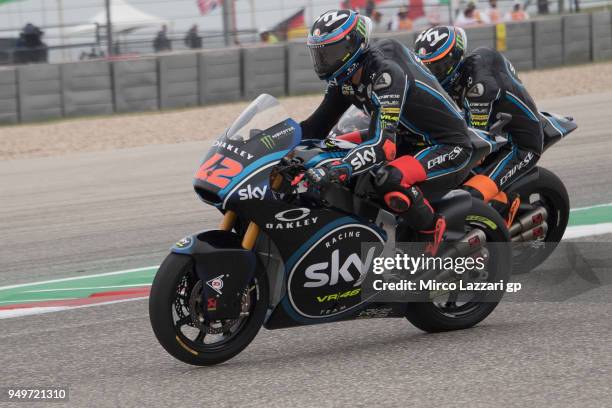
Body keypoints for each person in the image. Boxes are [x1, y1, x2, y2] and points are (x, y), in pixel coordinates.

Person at [300, 10, 473, 254]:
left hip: (445, 144)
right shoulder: (344, 78)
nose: (325, 60)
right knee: (332, 146)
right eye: (320, 53)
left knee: (390, 179)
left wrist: (340, 168)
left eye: (331, 52)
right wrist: (269, 140)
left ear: (355, 45)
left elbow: (384, 146)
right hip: (407, 138)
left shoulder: (386, 73)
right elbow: (315, 127)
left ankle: (431, 230)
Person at [414, 26, 544, 226]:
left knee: (469, 196)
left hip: (518, 145)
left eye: (437, 67)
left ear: (454, 58)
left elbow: (478, 144)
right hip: (497, 131)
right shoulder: (457, 75)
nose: (432, 73)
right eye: (427, 67)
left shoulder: (479, 87)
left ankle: (503, 218)